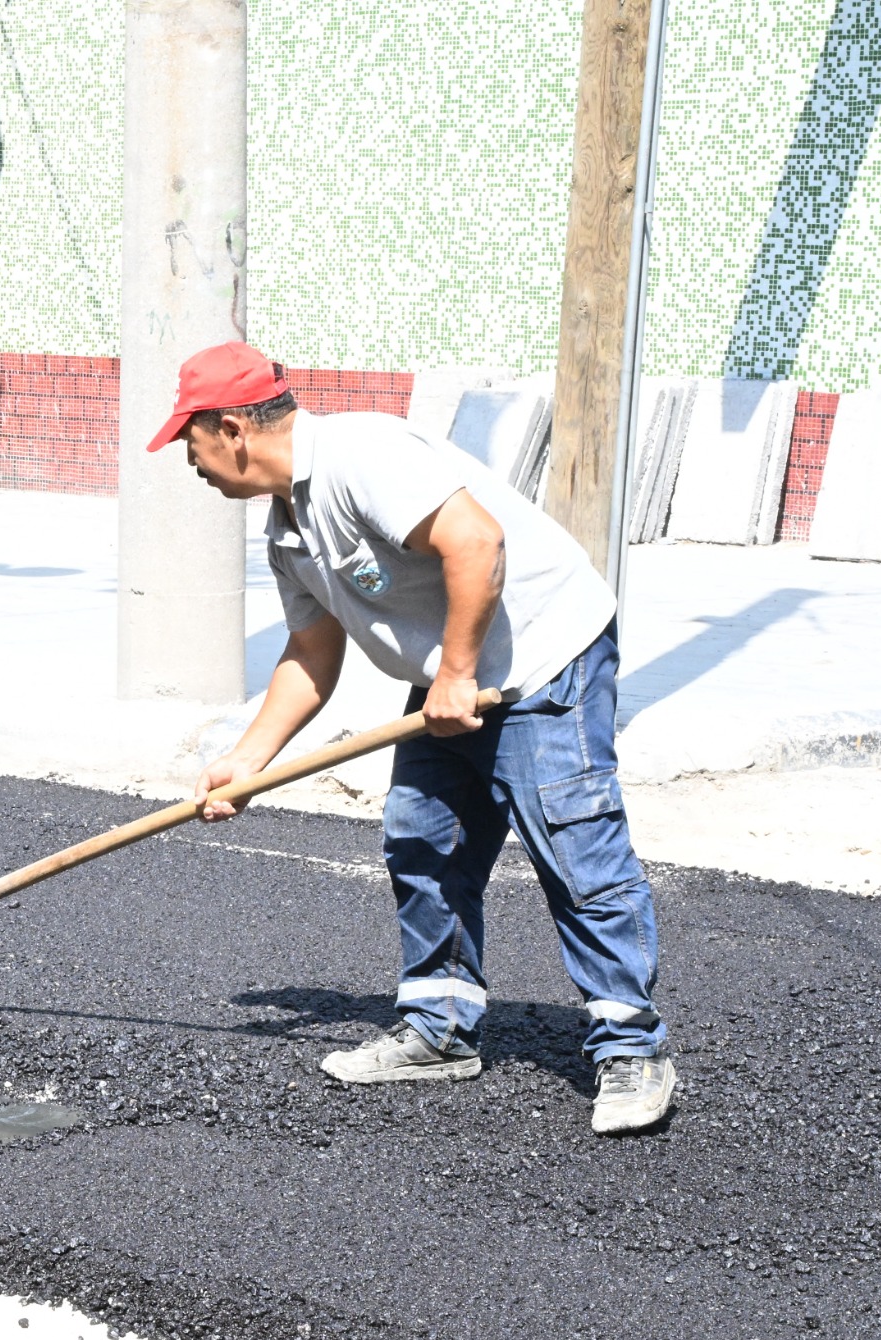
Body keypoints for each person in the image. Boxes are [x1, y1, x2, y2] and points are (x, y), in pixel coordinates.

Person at [164, 341, 676, 1135]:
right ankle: (440, 1028)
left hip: (543, 654)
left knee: (576, 850)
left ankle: (631, 1045)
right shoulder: (286, 530)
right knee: (422, 836)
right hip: (455, 671)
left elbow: (477, 541)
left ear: (231, 428)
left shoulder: (361, 455)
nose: (188, 463)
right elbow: (311, 654)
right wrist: (245, 760)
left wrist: (456, 671)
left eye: (188, 442)